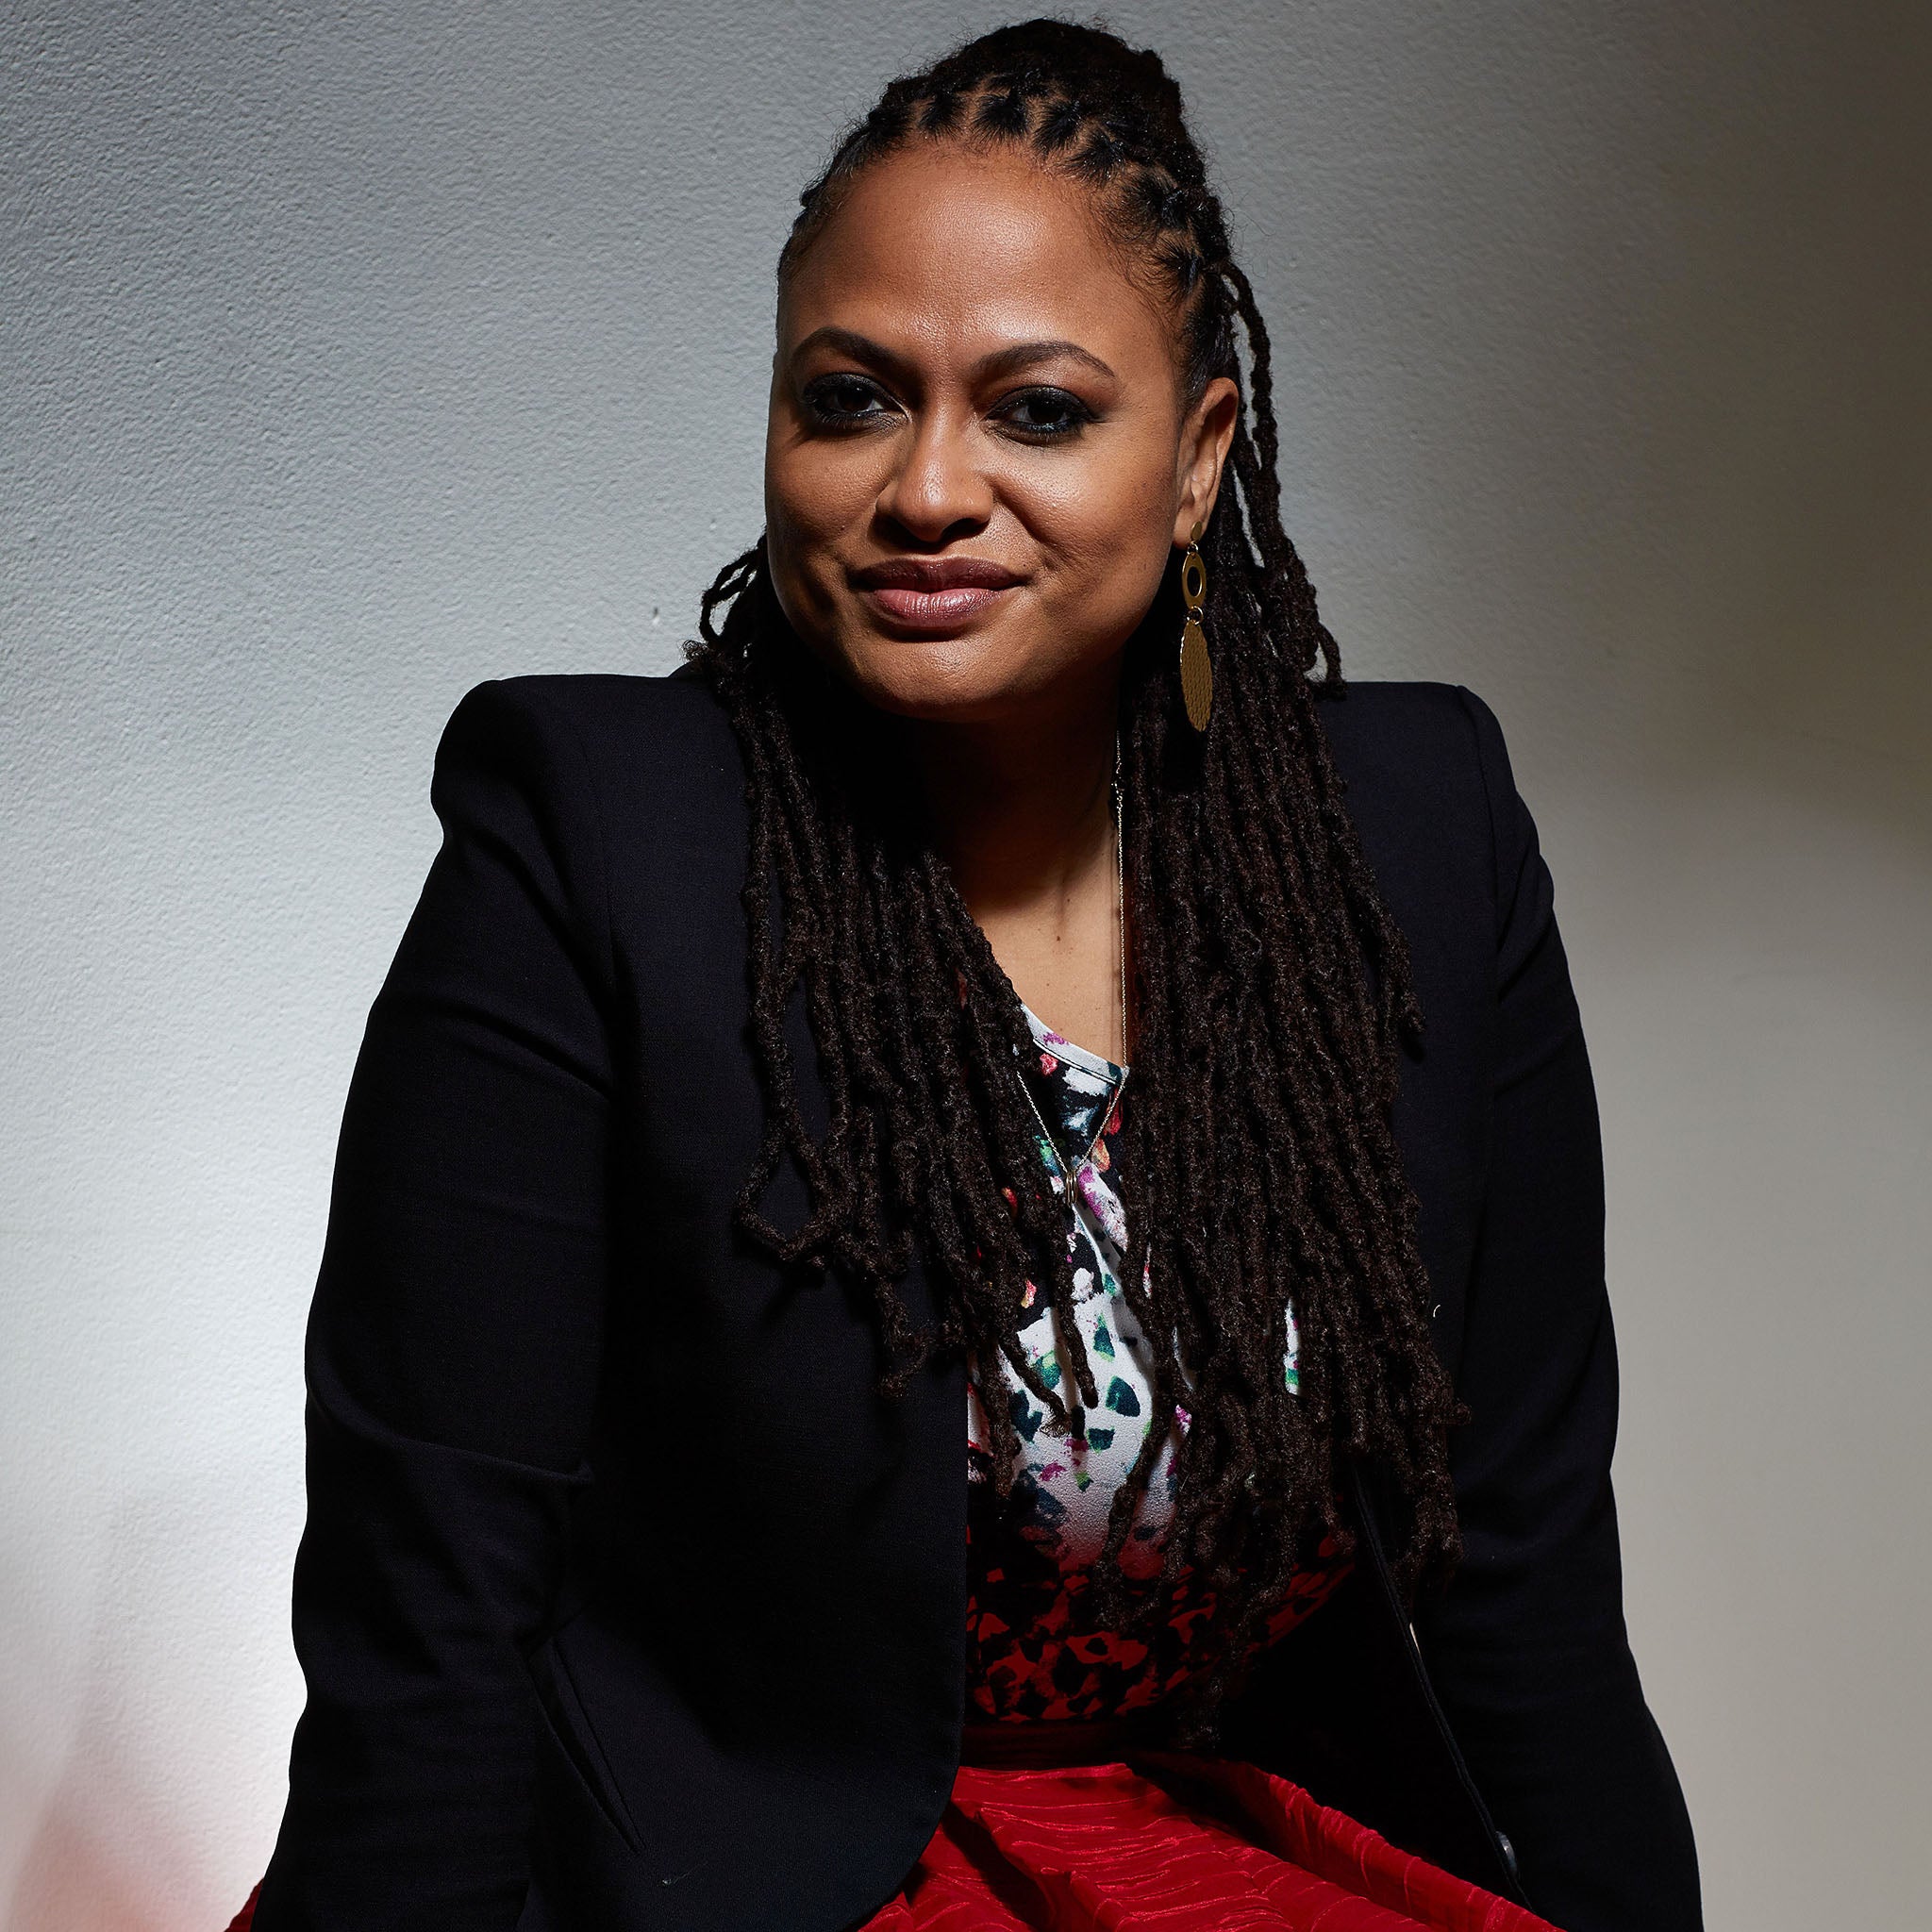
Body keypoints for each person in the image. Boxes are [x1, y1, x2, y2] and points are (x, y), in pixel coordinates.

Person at [245, 20, 1700, 1932]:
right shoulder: (595, 836)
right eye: (849, 398)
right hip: (722, 1877)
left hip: (1217, 1847)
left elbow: (1512, 1558)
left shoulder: (1417, 838)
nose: (926, 487)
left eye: (1035, 409)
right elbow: (427, 1591)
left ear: (1194, 461)